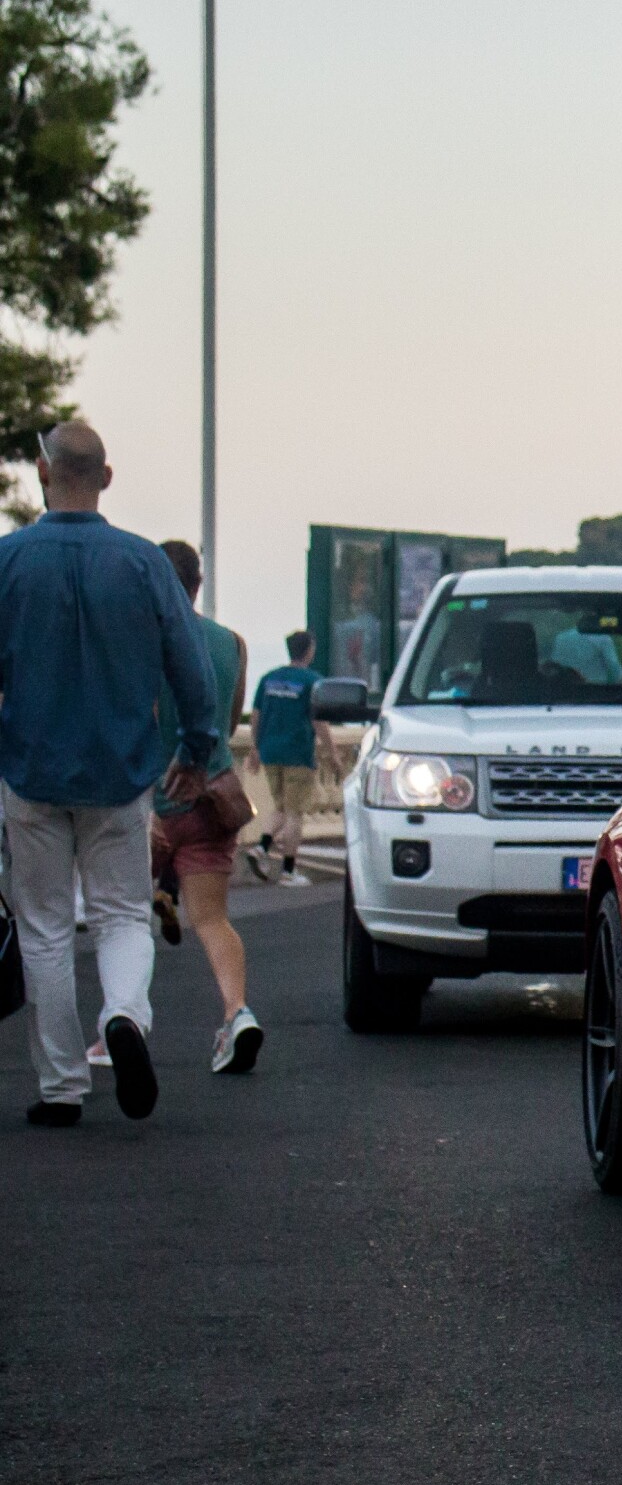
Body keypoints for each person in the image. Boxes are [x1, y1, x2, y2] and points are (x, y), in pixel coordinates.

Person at [0, 421, 220, 1125]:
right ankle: (124, 1016)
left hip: (30, 772)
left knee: (43, 927)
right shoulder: (144, 563)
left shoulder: (7, 561)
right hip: (122, 774)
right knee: (123, 914)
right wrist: (197, 747)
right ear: (108, 478)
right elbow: (189, 664)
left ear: (41, 471)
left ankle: (62, 1086)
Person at [148, 540, 262, 1075]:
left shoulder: (143, 641)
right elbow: (231, 720)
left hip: (153, 799)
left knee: (118, 921)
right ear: (198, 584)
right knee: (214, 921)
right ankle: (237, 1014)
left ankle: (115, 1029)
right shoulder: (232, 644)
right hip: (213, 798)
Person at [246, 630, 328, 885]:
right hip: (298, 753)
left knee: (281, 807)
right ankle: (288, 871)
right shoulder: (313, 681)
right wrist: (332, 752)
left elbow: (256, 715)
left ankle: (262, 847)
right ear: (309, 650)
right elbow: (318, 720)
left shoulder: (269, 679)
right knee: (294, 813)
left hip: (270, 751)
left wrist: (255, 748)